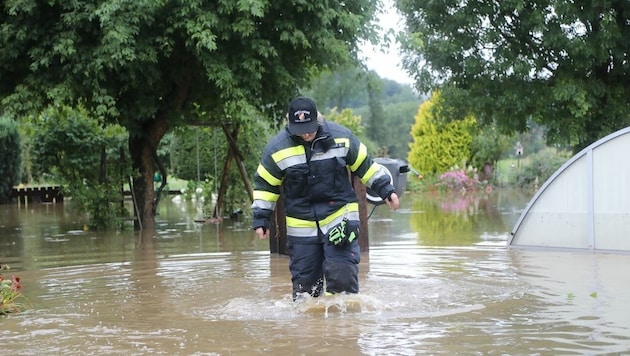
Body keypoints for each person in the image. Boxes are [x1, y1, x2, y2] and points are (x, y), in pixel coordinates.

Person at [251, 96, 400, 300]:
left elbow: (365, 164)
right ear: (290, 125)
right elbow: (265, 184)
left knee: (342, 275)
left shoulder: (341, 137)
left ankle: (344, 326)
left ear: (318, 120)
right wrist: (261, 218)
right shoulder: (277, 149)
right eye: (300, 130)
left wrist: (386, 189)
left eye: (310, 128)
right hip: (301, 222)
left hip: (339, 215)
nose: (306, 134)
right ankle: (316, 329)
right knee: (306, 292)